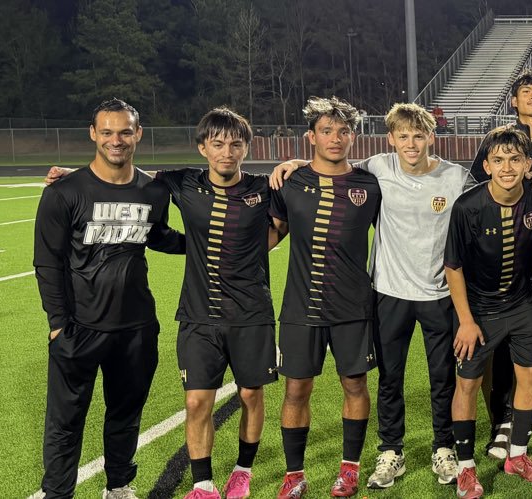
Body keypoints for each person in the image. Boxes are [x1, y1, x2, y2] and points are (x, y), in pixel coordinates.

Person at [268, 103, 474, 490]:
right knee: (389, 378)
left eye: (418, 135)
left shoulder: (456, 177)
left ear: (431, 137)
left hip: (438, 293)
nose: (411, 144)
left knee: (442, 377)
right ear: (390, 139)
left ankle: (443, 447)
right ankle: (390, 450)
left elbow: (493, 193)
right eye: (403, 136)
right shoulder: (378, 169)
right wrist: (294, 163)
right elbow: (330, 160)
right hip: (388, 292)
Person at [34, 98, 186, 499]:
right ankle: (58, 493)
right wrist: (57, 324)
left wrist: (204, 244)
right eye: (107, 132)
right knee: (65, 421)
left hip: (136, 327)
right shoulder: (64, 192)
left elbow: (157, 236)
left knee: (125, 415)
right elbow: (47, 263)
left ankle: (119, 486)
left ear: (138, 134)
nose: (115, 140)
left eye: (124, 132)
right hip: (79, 328)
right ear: (93, 134)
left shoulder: (153, 191)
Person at [151, 108, 278, 499]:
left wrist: (292, 162)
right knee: (196, 401)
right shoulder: (183, 182)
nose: (227, 152)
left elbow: (283, 223)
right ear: (203, 147)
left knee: (251, 395)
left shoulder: (265, 187)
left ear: (246, 148)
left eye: (235, 144)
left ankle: (242, 470)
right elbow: (125, 178)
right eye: (218, 144)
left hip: (251, 314)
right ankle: (203, 484)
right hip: (198, 316)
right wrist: (73, 175)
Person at [270, 96, 383, 499]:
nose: (335, 138)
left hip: (353, 307)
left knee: (355, 386)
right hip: (301, 308)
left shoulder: (369, 184)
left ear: (354, 136)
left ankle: (348, 471)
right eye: (326, 131)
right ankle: (293, 475)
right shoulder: (290, 182)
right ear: (311, 137)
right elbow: (270, 236)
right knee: (296, 391)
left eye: (343, 131)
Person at [445, 126, 532, 498]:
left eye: (515, 159)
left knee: (529, 378)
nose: (507, 167)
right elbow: (453, 266)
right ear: (487, 165)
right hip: (479, 309)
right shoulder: (467, 206)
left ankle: (518, 455)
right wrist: (466, 321)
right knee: (468, 385)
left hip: (523, 304)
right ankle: (465, 468)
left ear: (527, 163)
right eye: (498, 160)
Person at [470, 69, 532, 460]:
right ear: (513, 100)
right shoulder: (497, 141)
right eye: (526, 91)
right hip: (502, 261)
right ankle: (503, 418)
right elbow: (475, 189)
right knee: (500, 347)